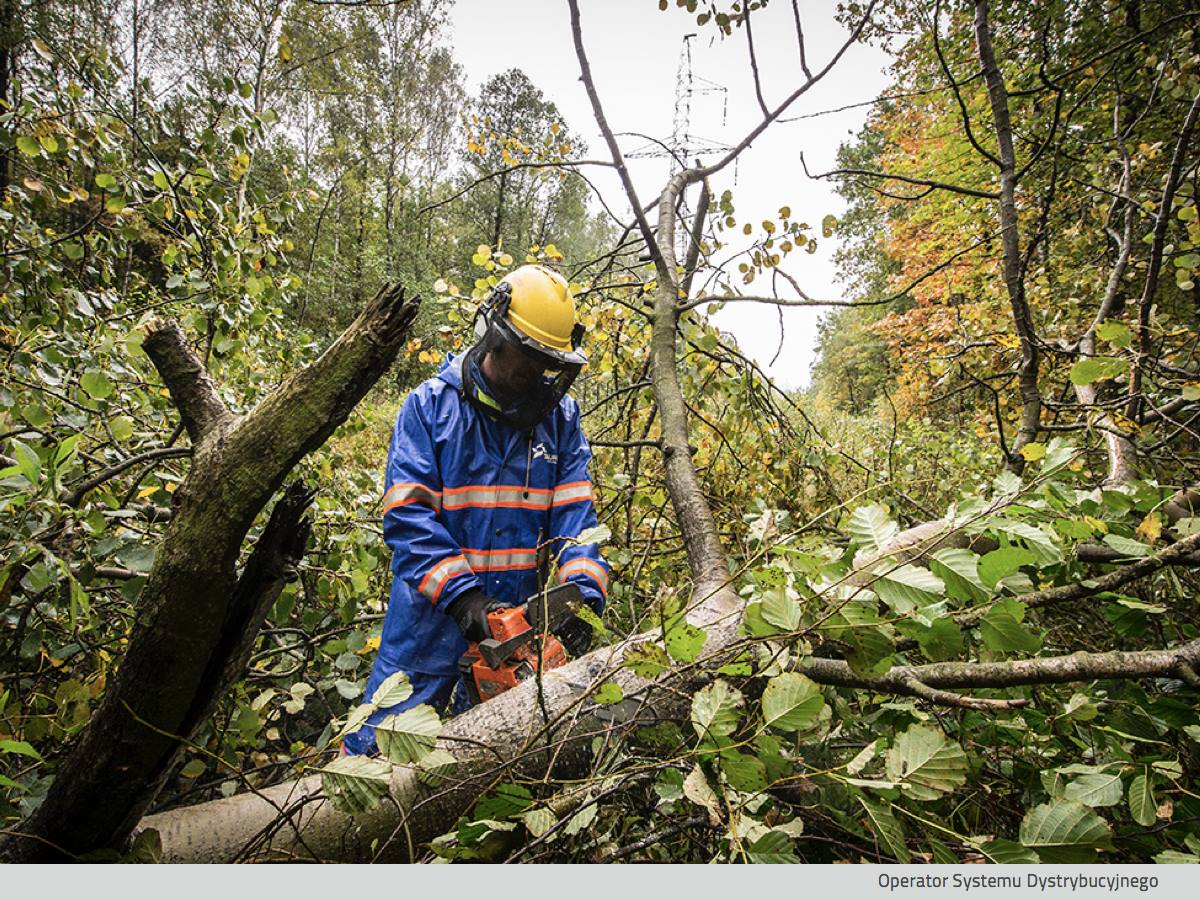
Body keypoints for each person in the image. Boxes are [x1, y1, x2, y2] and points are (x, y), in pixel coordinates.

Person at [343, 264, 609, 755]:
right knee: (378, 756)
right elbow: (408, 516)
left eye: (547, 364)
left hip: (515, 631)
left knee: (493, 768)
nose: (535, 375)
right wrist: (464, 598)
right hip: (428, 624)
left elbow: (578, 522)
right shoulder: (429, 408)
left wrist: (582, 594)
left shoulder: (560, 423)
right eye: (527, 358)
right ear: (493, 333)